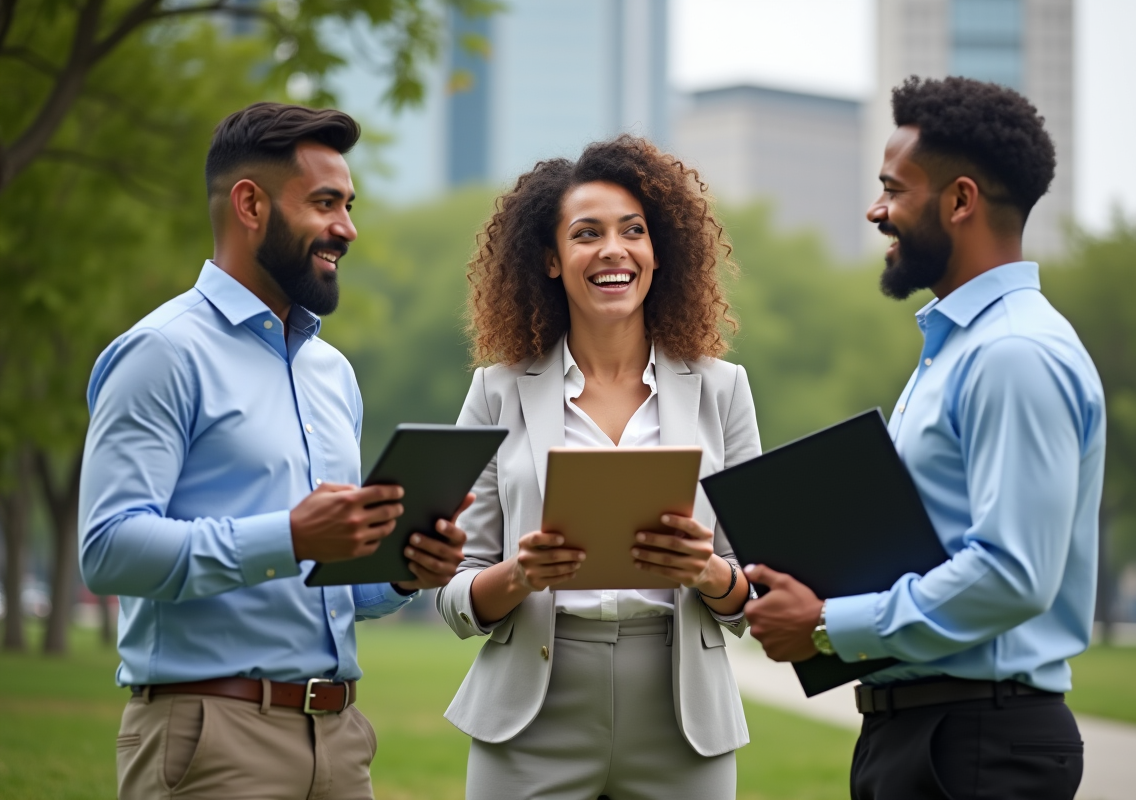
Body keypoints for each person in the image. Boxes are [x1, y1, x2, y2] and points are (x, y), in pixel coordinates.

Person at [79, 102, 469, 800]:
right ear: (250, 205)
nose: (347, 228)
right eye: (324, 203)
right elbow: (108, 549)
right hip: (211, 739)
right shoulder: (161, 353)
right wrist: (290, 536)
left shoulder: (333, 374)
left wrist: (404, 573)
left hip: (341, 740)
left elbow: (329, 585)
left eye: (348, 205)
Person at [743, 76, 1106, 800]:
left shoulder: (1013, 354)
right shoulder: (958, 351)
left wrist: (826, 624)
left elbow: (1012, 574)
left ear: (960, 200)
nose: (876, 210)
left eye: (892, 189)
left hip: (977, 743)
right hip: (925, 732)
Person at [436, 135, 760, 800]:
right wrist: (520, 575)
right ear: (551, 260)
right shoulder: (495, 392)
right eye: (587, 234)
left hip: (682, 716)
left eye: (633, 231)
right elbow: (451, 587)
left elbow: (759, 586)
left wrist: (707, 571)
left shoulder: (724, 389)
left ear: (658, 252)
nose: (614, 249)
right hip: (531, 713)